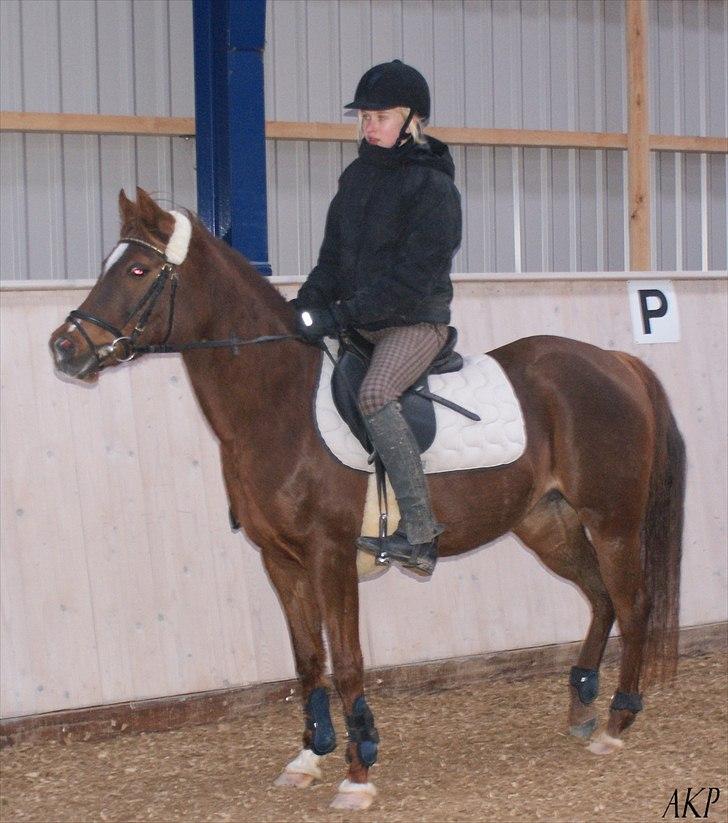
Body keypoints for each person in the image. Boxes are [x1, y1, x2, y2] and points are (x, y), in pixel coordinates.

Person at [292, 59, 462, 576]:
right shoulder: (356, 178)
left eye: (380, 116)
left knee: (375, 393)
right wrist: (303, 305)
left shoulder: (434, 191)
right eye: (364, 117)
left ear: (413, 120)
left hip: (414, 322)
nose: (369, 126)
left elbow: (412, 280)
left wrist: (340, 314)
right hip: (357, 318)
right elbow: (331, 260)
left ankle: (420, 531)